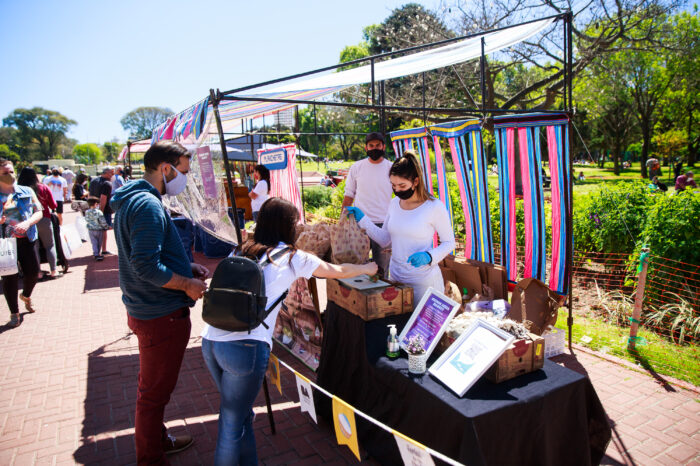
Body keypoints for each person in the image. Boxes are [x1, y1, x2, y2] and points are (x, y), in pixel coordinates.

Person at [201, 197, 377, 465]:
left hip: (211, 339)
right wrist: (368, 267)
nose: (299, 227)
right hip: (246, 348)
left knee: (239, 414)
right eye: (295, 222)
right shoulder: (293, 258)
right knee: (231, 423)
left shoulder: (240, 250)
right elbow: (337, 270)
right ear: (286, 225)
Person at [110, 141, 209, 464]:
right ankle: (150, 456)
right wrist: (187, 284)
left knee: (153, 391)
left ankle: (157, 440)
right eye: (182, 171)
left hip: (149, 310)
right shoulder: (148, 205)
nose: (184, 178)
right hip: (161, 315)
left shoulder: (135, 200)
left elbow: (149, 254)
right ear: (165, 168)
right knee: (153, 395)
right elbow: (146, 265)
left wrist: (185, 267)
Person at [346, 151, 456, 302]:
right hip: (397, 279)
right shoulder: (394, 204)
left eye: (402, 185)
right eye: (393, 185)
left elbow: (449, 242)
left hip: (423, 282)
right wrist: (363, 219)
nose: (397, 190)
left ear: (416, 181)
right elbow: (384, 239)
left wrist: (430, 256)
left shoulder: (433, 207)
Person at [342, 132, 393, 277]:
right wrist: (343, 220)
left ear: (383, 147)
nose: (374, 148)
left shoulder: (391, 168)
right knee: (357, 266)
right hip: (359, 224)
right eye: (371, 145)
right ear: (366, 148)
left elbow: (400, 194)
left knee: (382, 269)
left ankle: (382, 297)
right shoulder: (357, 167)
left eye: (378, 145)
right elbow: (348, 195)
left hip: (384, 225)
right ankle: (358, 298)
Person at [0, 159, 43, 326]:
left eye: (11, 172)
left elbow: (38, 211)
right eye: (5, 173)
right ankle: (14, 313)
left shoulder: (25, 191)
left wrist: (28, 223)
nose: (10, 175)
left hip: (28, 238)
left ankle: (25, 295)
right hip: (6, 243)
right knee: (9, 277)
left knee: (33, 272)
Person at [17, 167, 60, 279]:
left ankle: (38, 272)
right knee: (50, 245)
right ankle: (54, 270)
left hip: (27, 221)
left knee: (34, 247)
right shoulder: (42, 187)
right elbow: (53, 205)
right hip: (44, 218)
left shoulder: (19, 190)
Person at [89, 167, 114, 255]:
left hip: (93, 208)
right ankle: (103, 249)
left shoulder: (93, 181)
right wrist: (101, 212)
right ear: (107, 173)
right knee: (103, 230)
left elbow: (89, 195)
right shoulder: (107, 183)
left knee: (93, 231)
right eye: (112, 173)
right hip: (104, 210)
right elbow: (103, 198)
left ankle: (96, 250)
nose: (112, 175)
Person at [85, 197, 110, 261]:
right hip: (99, 229)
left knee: (94, 242)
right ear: (96, 204)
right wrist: (106, 227)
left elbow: (86, 219)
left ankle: (96, 254)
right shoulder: (99, 212)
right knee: (99, 242)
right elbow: (102, 221)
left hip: (91, 229)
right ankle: (98, 254)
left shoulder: (87, 212)